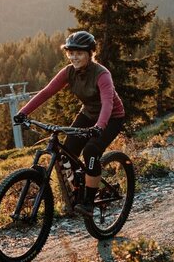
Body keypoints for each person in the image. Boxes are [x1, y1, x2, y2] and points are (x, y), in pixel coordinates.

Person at [13, 31, 126, 217]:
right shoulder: (68, 72)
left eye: (79, 53)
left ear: (90, 53)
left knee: (91, 151)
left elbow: (108, 103)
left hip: (111, 118)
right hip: (88, 114)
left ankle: (88, 202)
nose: (74, 57)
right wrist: (23, 112)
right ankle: (81, 186)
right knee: (67, 152)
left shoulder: (102, 75)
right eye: (70, 53)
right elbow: (46, 92)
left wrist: (100, 126)